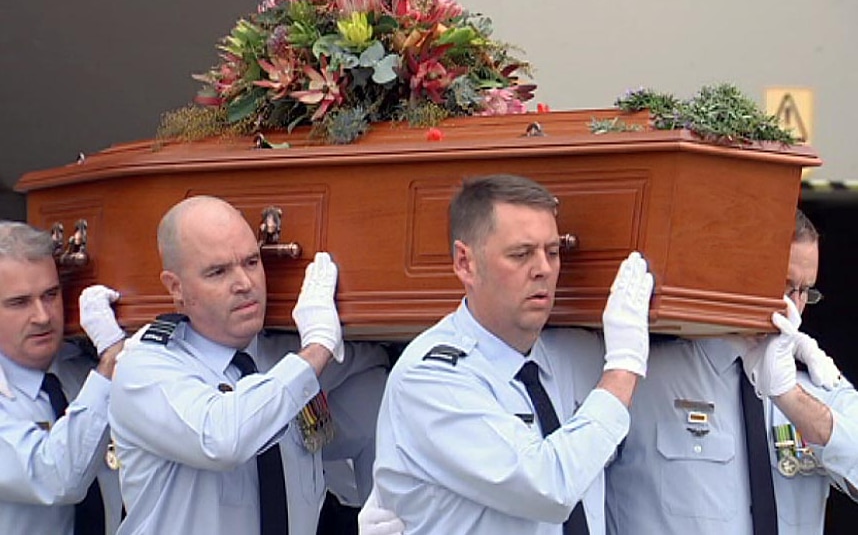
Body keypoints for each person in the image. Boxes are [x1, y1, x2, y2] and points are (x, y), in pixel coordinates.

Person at [371, 174, 654, 534]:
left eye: (553, 252)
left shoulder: (570, 356)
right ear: (465, 263)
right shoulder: (429, 378)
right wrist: (623, 367)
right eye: (521, 254)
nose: (544, 270)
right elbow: (548, 488)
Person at [599, 209, 858, 534]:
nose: (794, 306)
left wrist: (789, 396)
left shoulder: (815, 376)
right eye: (783, 285)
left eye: (805, 291)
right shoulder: (647, 373)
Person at [108, 195, 347, 535]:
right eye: (218, 271)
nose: (245, 284)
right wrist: (319, 346)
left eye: (251, 262)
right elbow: (222, 438)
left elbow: (368, 422)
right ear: (176, 287)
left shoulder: (280, 357)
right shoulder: (145, 368)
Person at [0, 221, 125, 534]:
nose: (42, 316)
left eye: (50, 295)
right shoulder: (104, 372)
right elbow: (56, 476)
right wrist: (112, 360)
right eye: (19, 302)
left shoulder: (81, 368)